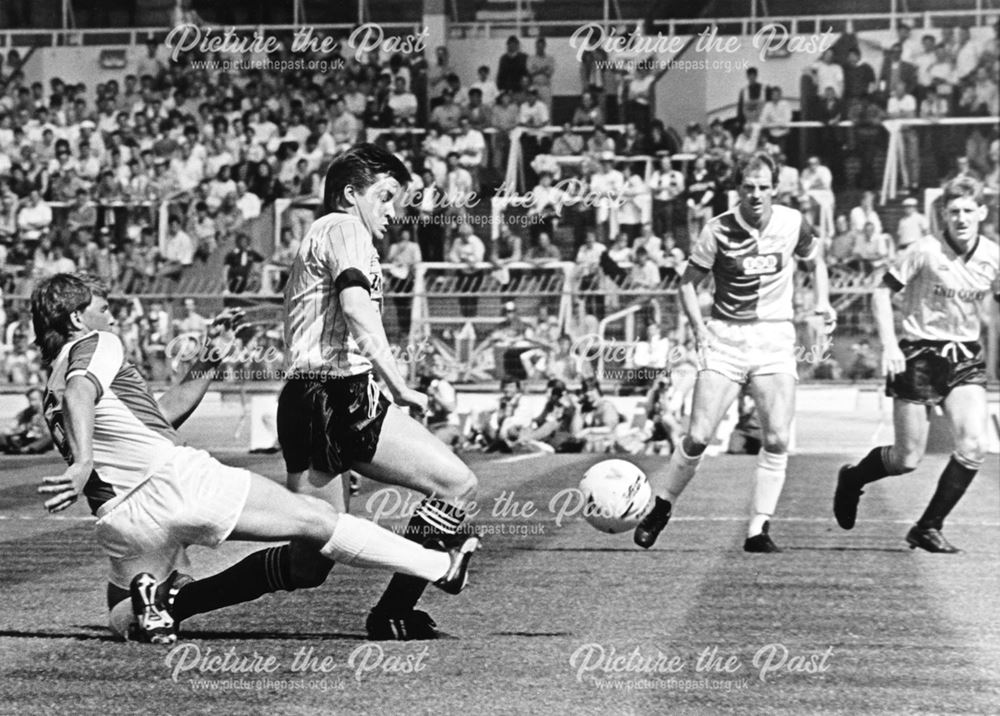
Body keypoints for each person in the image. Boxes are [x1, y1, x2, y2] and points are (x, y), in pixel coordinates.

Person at [32, 274, 477, 645]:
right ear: (77, 317)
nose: (112, 317)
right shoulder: (96, 343)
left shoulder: (52, 378)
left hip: (122, 519)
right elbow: (82, 391)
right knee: (318, 519)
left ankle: (150, 601)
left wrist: (209, 360)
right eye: (103, 308)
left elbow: (156, 417)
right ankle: (440, 566)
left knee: (126, 618)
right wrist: (81, 463)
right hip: (175, 482)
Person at [277, 143, 481, 640]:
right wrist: (399, 383)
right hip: (321, 397)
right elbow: (355, 306)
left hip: (346, 391)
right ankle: (178, 595)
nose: (393, 212)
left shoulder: (343, 236)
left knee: (456, 483)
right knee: (309, 559)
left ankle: (394, 611)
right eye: (386, 197)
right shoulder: (343, 227)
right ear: (350, 195)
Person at [634, 152, 836, 553]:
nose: (756, 194)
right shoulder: (718, 229)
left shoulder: (793, 222)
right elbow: (687, 283)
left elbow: (817, 263)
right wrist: (698, 330)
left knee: (777, 437)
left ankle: (758, 530)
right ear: (738, 189)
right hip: (726, 338)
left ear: (775, 188)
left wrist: (824, 302)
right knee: (697, 436)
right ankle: (663, 505)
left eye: (763, 186)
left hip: (775, 337)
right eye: (748, 186)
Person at [833, 177, 999, 553]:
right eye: (953, 211)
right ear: (943, 213)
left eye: (968, 210)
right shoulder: (924, 250)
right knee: (907, 458)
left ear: (982, 212)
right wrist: (890, 345)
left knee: (975, 445)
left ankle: (927, 527)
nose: (960, 218)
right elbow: (880, 290)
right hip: (920, 355)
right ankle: (853, 478)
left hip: (964, 358)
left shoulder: (993, 255)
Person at [0, 386, 52, 454]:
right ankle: (19, 449)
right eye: (30, 400)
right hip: (26, 438)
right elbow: (12, 426)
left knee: (50, 436)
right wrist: (18, 429)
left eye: (34, 400)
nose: (31, 403)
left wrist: (38, 431)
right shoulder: (26, 413)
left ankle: (28, 449)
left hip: (41, 439)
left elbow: (48, 432)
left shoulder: (49, 412)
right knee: (3, 435)